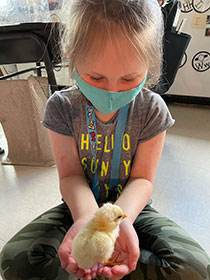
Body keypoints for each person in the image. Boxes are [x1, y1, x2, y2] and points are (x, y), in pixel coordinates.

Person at [0, 1, 210, 280]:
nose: (112, 92)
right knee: (16, 261)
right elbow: (71, 176)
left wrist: (113, 226)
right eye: (95, 77)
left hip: (131, 211)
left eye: (129, 78)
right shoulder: (61, 107)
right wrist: (88, 221)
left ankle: (108, 265)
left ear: (149, 68)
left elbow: (142, 181)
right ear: (72, 58)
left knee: (195, 268)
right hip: (79, 207)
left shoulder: (152, 110)